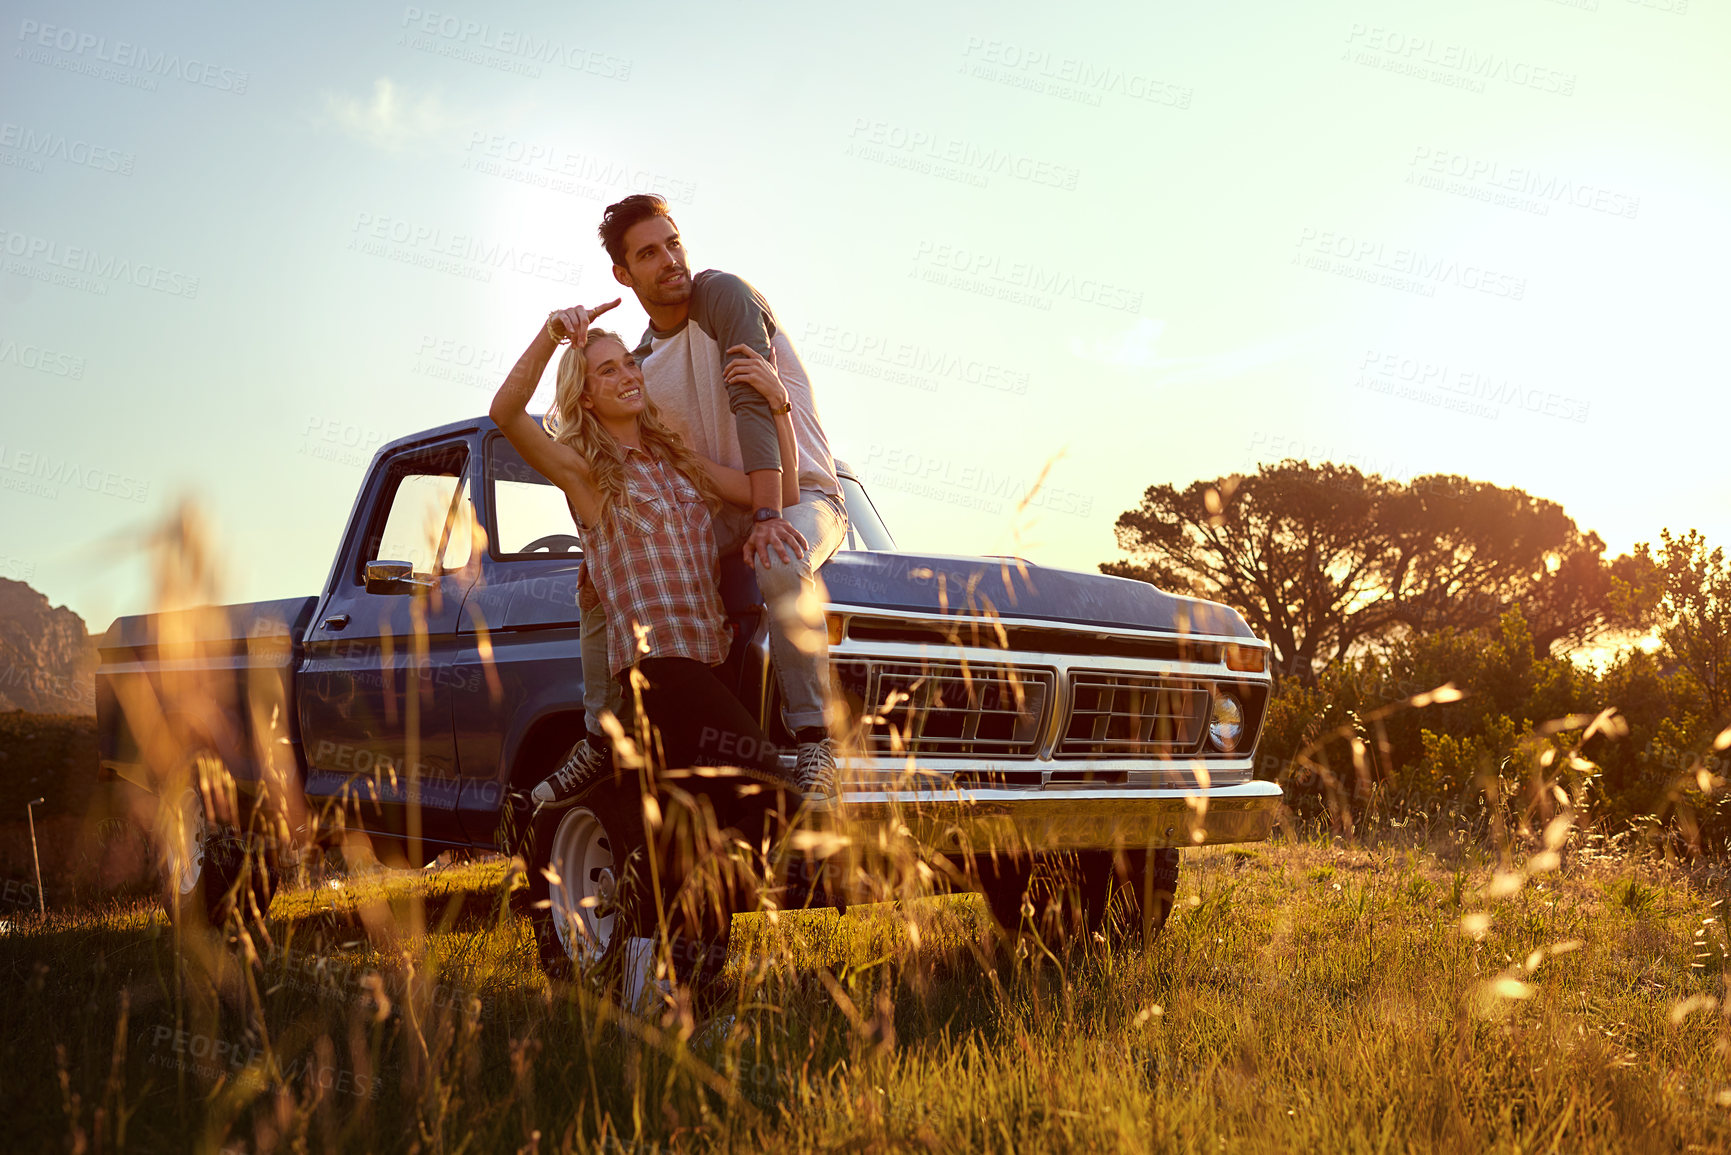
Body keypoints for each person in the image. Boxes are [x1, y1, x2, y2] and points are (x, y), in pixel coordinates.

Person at [535, 194, 849, 810]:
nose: (670, 260)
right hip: (728, 500)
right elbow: (649, 463)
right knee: (595, 579)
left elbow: (751, 407)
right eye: (648, 253)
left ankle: (814, 739)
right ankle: (600, 730)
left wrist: (766, 517)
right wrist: (608, 545)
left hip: (798, 490)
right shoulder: (643, 363)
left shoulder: (722, 295)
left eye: (673, 243)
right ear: (623, 276)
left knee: (781, 554)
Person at [487, 301, 806, 798]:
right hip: (658, 673)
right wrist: (551, 334)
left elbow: (781, 494)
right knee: (775, 791)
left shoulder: (680, 461)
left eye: (630, 363)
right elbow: (504, 413)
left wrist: (779, 405)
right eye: (607, 371)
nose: (628, 375)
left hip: (717, 665)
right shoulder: (586, 474)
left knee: (718, 827)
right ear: (586, 398)